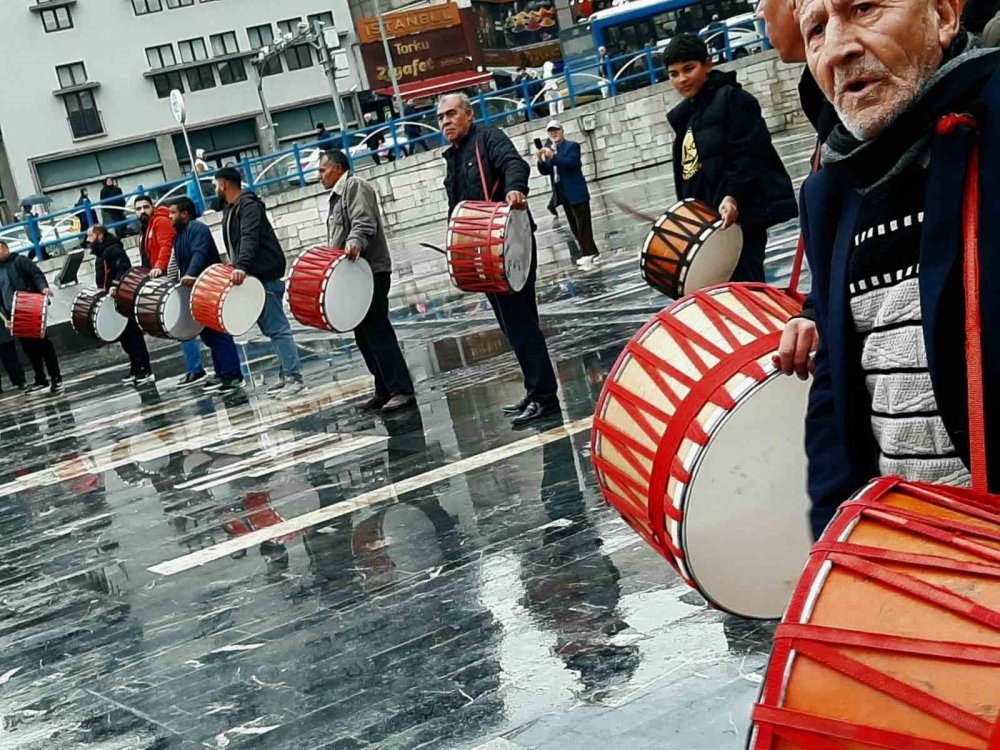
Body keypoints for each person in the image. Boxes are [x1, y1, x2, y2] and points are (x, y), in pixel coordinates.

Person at [796, 0, 1000, 537]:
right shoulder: (828, 195)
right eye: (816, 30)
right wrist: (836, 546)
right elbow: (834, 394)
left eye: (865, 8)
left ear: (944, 15)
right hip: (911, 550)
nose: (837, 49)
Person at [438, 93, 560, 426]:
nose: (446, 121)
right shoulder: (454, 156)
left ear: (468, 115)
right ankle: (535, 390)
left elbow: (514, 164)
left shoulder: (488, 137)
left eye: (451, 114)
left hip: (511, 245)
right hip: (485, 252)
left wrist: (515, 188)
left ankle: (545, 397)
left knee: (522, 324)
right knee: (511, 326)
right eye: (441, 117)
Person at [662, 33, 797, 284]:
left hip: (740, 218)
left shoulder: (734, 100)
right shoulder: (686, 117)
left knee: (746, 287)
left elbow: (750, 154)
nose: (681, 79)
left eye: (688, 69)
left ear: (707, 64)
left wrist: (733, 195)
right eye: (674, 74)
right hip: (708, 225)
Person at [318, 150, 415, 412]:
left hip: (370, 271)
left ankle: (401, 389)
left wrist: (354, 242)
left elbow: (363, 222)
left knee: (377, 331)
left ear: (338, 168)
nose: (319, 176)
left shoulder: (355, 186)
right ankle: (383, 389)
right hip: (353, 276)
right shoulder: (337, 197)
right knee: (363, 335)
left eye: (323, 170)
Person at [214, 166, 306, 398]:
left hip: (264, 273)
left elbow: (249, 237)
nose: (215, 189)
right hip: (255, 276)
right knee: (270, 329)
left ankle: (295, 378)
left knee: (278, 328)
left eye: (216, 184)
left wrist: (241, 266)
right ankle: (286, 374)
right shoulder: (232, 208)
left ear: (224, 184)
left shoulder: (248, 206)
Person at [169, 198, 245, 395]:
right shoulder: (178, 236)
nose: (170, 217)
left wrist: (191, 274)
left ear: (184, 214)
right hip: (196, 290)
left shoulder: (198, 229)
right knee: (209, 335)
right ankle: (221, 373)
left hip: (209, 286)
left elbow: (199, 253)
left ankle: (232, 375)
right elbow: (178, 263)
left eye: (173, 213)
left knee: (219, 334)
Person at [87, 224, 154, 384]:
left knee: (133, 335)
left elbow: (123, 268)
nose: (88, 240)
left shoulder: (113, 250)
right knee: (124, 336)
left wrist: (115, 284)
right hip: (111, 299)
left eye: (90, 236)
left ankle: (145, 368)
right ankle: (135, 366)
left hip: (121, 298)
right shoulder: (101, 253)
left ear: (99, 235)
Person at [536, 120, 601, 270]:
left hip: (576, 191)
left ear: (562, 130)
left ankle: (587, 254)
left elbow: (573, 164)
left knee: (583, 224)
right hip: (562, 192)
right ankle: (592, 252)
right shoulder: (552, 149)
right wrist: (540, 160)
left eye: (556, 130)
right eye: (551, 131)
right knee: (574, 225)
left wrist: (553, 157)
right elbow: (547, 170)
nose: (554, 133)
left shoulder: (572, 146)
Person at [0, 241, 62, 393]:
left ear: (6, 249)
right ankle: (40, 378)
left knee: (43, 344)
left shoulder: (20, 261)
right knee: (28, 348)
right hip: (14, 313)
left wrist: (43, 288)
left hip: (30, 307)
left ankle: (56, 377)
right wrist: (5, 317)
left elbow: (36, 275)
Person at [134, 195, 175, 276]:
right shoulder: (145, 228)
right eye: (139, 209)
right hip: (154, 272)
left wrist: (159, 266)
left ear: (153, 207)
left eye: (146, 207)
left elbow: (166, 245)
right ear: (135, 212)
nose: (143, 211)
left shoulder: (160, 221)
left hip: (165, 271)